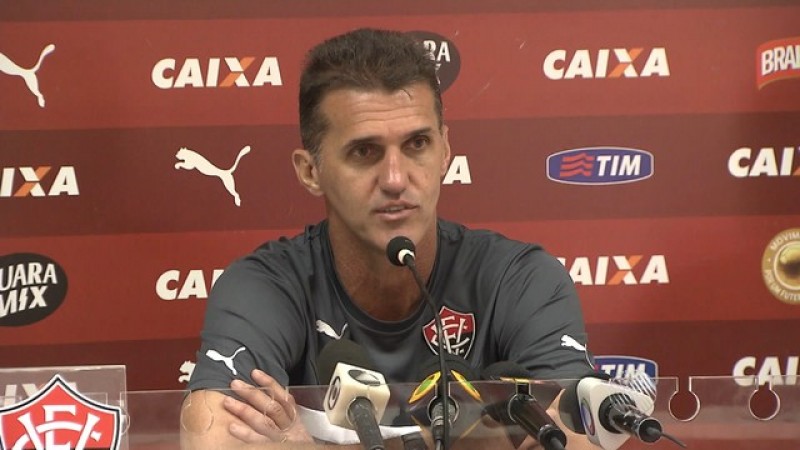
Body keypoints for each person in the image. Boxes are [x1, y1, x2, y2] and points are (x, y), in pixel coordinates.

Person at [181, 28, 596, 449]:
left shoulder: (520, 279)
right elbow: (212, 436)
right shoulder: (262, 289)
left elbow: (578, 438)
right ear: (310, 171)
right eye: (364, 152)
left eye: (417, 144)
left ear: (444, 151)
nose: (396, 179)